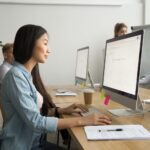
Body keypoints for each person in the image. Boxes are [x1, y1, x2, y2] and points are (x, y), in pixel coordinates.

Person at [0, 24, 111, 150]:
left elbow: (30, 112)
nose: (49, 50)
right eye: (45, 43)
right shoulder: (15, 77)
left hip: (35, 143)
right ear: (30, 43)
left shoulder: (25, 76)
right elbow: (36, 122)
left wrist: (60, 111)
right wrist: (85, 120)